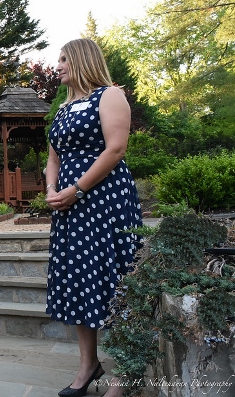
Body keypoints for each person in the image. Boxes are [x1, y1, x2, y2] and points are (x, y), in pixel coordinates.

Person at [44, 38, 142, 397]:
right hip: (70, 206)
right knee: (79, 278)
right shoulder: (64, 108)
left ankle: (125, 370)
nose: (58, 66)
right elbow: (52, 159)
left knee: (114, 276)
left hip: (104, 200)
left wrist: (78, 190)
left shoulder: (109, 95)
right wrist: (53, 189)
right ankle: (88, 367)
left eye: (64, 59)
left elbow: (116, 148)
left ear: (83, 60)